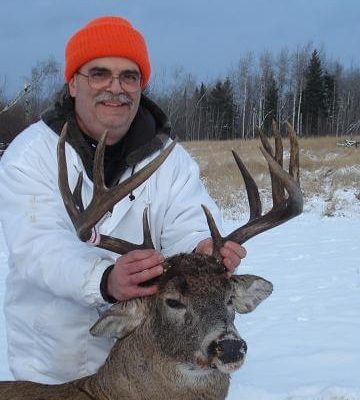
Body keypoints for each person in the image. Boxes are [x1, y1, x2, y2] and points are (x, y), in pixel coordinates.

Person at [0, 16, 246, 384]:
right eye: (99, 73)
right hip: (53, 361)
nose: (115, 88)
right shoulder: (30, 154)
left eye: (129, 76)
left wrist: (203, 249)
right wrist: (103, 280)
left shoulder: (168, 158)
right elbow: (38, 247)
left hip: (148, 363)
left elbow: (187, 218)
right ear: (72, 83)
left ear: (140, 86)